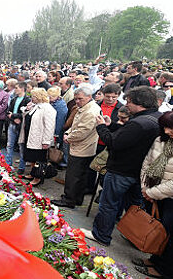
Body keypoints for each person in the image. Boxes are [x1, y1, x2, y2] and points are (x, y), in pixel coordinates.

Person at [81, 87, 162, 246]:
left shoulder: (139, 122)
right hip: (139, 172)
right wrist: (112, 126)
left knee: (109, 204)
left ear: (139, 103)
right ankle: (136, 237)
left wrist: (101, 127)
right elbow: (127, 138)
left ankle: (101, 235)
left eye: (129, 101)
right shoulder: (156, 117)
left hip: (122, 170)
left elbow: (115, 143)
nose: (127, 105)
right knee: (136, 207)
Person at [133, 111, 173, 279]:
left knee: (169, 235)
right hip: (153, 192)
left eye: (170, 128)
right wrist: (145, 188)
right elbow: (147, 164)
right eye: (164, 127)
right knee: (158, 230)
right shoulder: (161, 140)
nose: (167, 131)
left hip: (168, 196)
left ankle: (164, 269)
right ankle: (154, 259)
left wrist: (152, 192)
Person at [52, 86, 101, 209]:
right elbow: (76, 125)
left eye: (80, 99)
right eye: (76, 99)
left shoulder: (90, 111)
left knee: (73, 176)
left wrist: (69, 137)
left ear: (89, 97)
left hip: (82, 148)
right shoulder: (86, 107)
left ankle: (69, 199)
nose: (77, 101)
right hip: (83, 147)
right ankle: (76, 198)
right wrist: (69, 133)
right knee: (80, 176)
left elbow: (82, 131)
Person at [18, 88, 56, 186]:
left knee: (39, 158)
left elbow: (50, 126)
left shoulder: (47, 108)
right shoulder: (36, 106)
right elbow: (26, 114)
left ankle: (38, 177)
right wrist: (27, 108)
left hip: (39, 138)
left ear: (39, 97)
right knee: (32, 157)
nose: (32, 98)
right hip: (31, 135)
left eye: (33, 96)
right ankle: (32, 173)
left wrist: (46, 141)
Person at [6, 82, 31, 174]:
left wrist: (14, 116)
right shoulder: (14, 99)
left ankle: (21, 167)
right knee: (9, 145)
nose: (15, 89)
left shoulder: (27, 100)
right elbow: (8, 111)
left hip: (21, 126)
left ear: (22, 89)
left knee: (21, 146)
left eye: (16, 88)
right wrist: (14, 117)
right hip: (12, 123)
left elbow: (26, 113)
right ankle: (8, 164)